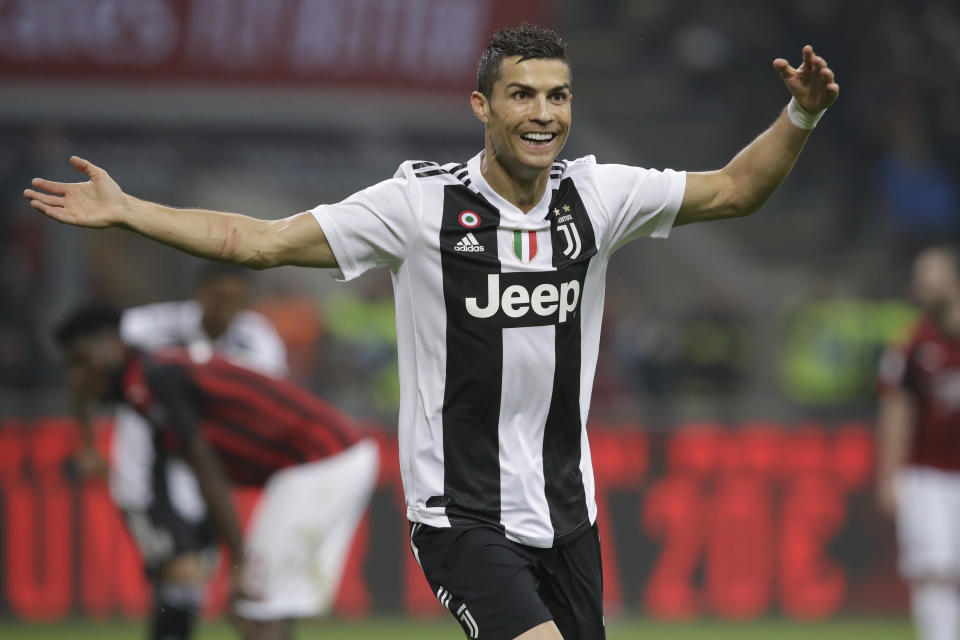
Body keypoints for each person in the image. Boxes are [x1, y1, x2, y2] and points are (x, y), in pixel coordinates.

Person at [25, 24, 839, 640]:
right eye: (523, 94)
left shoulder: (598, 197)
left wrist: (801, 113)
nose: (543, 114)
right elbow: (260, 242)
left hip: (567, 511)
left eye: (557, 96)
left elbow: (737, 190)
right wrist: (132, 211)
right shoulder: (416, 208)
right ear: (484, 105)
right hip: (460, 515)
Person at [55, 304, 379, 640]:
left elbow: (205, 466)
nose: (77, 376)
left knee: (254, 598)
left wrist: (240, 562)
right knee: (261, 601)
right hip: (323, 460)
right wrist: (88, 445)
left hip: (323, 458)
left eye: (80, 360)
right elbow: (85, 392)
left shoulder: (154, 380)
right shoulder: (148, 376)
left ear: (112, 345)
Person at [70, 264, 288, 640]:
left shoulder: (259, 340)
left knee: (190, 587)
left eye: (236, 301)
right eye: (219, 298)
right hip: (146, 476)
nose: (226, 309)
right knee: (184, 573)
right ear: (199, 294)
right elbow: (81, 370)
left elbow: (270, 406)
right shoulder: (146, 328)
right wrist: (88, 444)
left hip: (209, 478)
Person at [877, 247, 960, 640]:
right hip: (926, 474)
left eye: (932, 275)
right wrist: (888, 477)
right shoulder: (912, 345)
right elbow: (898, 411)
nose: (923, 284)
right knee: (933, 570)